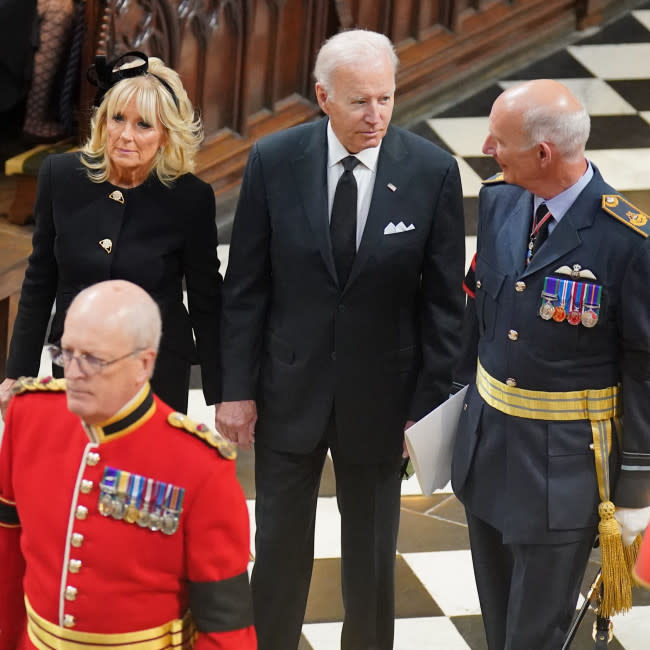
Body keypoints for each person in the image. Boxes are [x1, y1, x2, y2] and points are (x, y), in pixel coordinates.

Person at [216, 29, 465, 650]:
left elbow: (443, 308)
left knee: (373, 560)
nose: (375, 115)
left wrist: (429, 414)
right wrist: (235, 390)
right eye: (359, 102)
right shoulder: (274, 162)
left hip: (383, 402)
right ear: (323, 97)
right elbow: (244, 287)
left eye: (386, 98)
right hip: (287, 391)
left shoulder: (431, 171)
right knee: (275, 554)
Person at [451, 79, 650, 649]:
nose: (487, 146)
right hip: (487, 451)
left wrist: (635, 486)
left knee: (534, 635)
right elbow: (480, 313)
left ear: (544, 153)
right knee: (498, 623)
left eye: (500, 140)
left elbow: (644, 370)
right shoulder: (502, 200)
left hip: (563, 470)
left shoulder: (628, 243)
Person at [0, 280, 256, 649]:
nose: (73, 372)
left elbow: (226, 628)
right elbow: (7, 557)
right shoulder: (29, 417)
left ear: (143, 363)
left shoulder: (199, 466)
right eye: (66, 353)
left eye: (93, 359)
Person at [0, 51, 221, 418]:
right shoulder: (61, 176)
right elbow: (40, 281)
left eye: (143, 125)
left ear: (167, 135)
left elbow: (206, 300)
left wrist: (223, 393)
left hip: (157, 370)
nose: (125, 135)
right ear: (102, 120)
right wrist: (17, 375)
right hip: (75, 366)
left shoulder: (191, 198)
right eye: (117, 118)